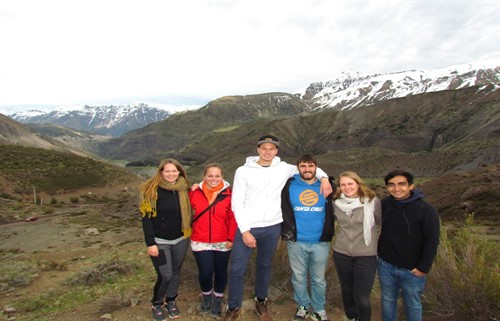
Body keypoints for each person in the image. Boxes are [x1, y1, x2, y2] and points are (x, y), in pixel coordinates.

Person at [223, 135, 333, 321]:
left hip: (273, 226)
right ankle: (233, 307)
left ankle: (261, 301)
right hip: (248, 227)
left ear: (277, 151)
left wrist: (324, 179)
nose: (268, 152)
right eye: (264, 148)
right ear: (258, 149)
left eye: (272, 149)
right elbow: (237, 203)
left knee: (264, 265)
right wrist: (245, 230)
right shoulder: (243, 171)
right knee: (237, 269)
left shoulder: (284, 168)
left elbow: (309, 167)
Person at [377, 170, 440, 321]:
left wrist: (423, 268)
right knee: (387, 301)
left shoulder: (426, 210)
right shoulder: (385, 204)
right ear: (387, 187)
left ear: (411, 186)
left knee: (412, 304)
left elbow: (432, 241)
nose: (396, 188)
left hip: (412, 269)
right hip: (386, 264)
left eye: (401, 184)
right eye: (391, 185)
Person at [281, 154, 335, 321]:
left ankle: (319, 309)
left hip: (320, 241)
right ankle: (303, 306)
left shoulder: (326, 185)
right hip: (296, 240)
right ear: (298, 167)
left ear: (316, 168)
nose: (307, 169)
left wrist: (325, 179)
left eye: (311, 166)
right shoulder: (289, 184)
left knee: (318, 279)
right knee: (298, 276)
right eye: (303, 166)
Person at [139, 158, 192, 321]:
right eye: (167, 171)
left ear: (179, 172)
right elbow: (146, 219)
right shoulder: (151, 189)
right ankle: (156, 303)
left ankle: (171, 301)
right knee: (166, 275)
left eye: (174, 171)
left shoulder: (184, 188)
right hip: (160, 242)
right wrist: (150, 243)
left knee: (176, 271)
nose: (171, 174)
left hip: (181, 238)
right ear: (161, 172)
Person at [189, 163, 237, 317]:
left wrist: (231, 237)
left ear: (222, 176)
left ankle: (218, 298)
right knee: (205, 272)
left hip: (222, 240)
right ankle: (206, 296)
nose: (213, 179)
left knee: (221, 272)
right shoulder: (194, 192)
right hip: (200, 240)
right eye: (210, 175)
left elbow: (232, 218)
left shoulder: (230, 194)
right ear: (204, 176)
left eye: (217, 176)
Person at [333, 171, 382, 321]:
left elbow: (380, 223)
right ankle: (351, 317)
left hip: (366, 255)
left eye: (350, 184)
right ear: (339, 187)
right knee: (347, 292)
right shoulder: (336, 203)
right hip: (341, 253)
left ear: (358, 184)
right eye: (343, 184)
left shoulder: (372, 202)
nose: (347, 187)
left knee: (362, 297)